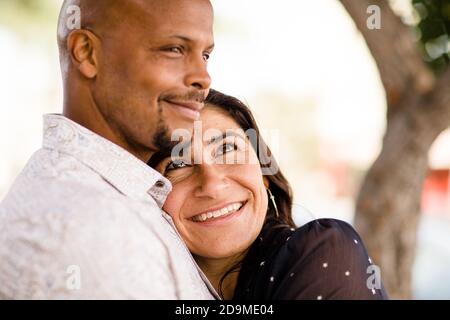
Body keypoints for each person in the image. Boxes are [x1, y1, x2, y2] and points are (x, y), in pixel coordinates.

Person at [0, 0, 218, 299]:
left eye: (205, 55)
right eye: (174, 49)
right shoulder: (94, 232)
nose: (203, 78)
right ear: (87, 53)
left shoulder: (114, 194)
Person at [149, 89, 389, 300]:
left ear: (263, 172)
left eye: (227, 149)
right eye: (177, 164)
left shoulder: (327, 253)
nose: (212, 184)